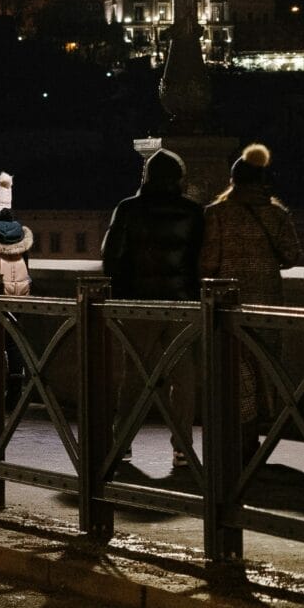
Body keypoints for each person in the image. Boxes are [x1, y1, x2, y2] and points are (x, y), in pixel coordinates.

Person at [100, 148, 204, 478]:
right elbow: (201, 258)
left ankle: (123, 442)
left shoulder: (127, 209)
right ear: (179, 178)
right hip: (181, 303)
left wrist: (121, 293)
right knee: (183, 376)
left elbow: (110, 258)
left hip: (138, 305)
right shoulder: (192, 211)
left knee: (136, 375)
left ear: (147, 176)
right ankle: (182, 446)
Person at [201, 143, 304, 434]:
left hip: (229, 300)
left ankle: (240, 424)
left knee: (234, 363)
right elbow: (292, 256)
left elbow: (208, 262)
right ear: (261, 181)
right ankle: (265, 418)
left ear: (233, 180)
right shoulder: (277, 214)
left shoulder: (216, 213)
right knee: (267, 362)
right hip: (269, 301)